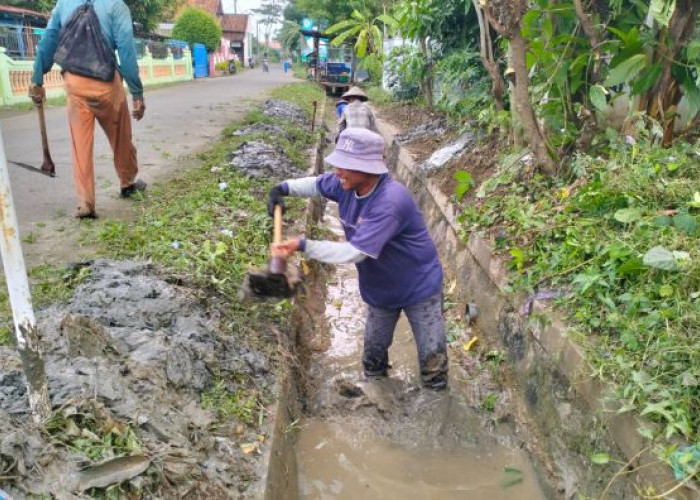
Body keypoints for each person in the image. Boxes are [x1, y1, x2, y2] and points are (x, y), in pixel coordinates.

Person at [267, 128, 448, 390]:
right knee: (373, 361)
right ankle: (380, 398)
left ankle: (436, 410)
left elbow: (354, 252)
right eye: (338, 164)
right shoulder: (345, 185)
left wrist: (301, 244)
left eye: (346, 166)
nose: (338, 170)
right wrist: (281, 189)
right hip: (380, 291)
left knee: (433, 366)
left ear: (369, 169)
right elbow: (317, 183)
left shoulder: (390, 202)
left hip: (420, 288)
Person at [29, 0, 146, 219]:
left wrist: (37, 78)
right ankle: (127, 182)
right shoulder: (116, 5)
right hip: (106, 85)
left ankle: (85, 203)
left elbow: (48, 41)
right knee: (121, 137)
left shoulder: (64, 3)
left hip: (74, 83)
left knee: (80, 145)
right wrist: (137, 93)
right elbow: (127, 52)